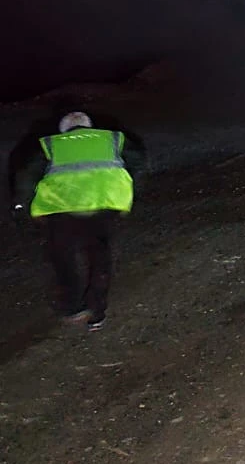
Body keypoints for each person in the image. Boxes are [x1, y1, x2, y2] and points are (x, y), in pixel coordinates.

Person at [9, 110, 146, 330]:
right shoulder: (113, 139)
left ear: (63, 130)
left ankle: (74, 306)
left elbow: (26, 176)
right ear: (89, 126)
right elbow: (138, 163)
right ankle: (97, 312)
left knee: (64, 259)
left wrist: (21, 205)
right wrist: (129, 191)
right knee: (99, 256)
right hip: (104, 206)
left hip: (61, 210)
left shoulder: (51, 145)